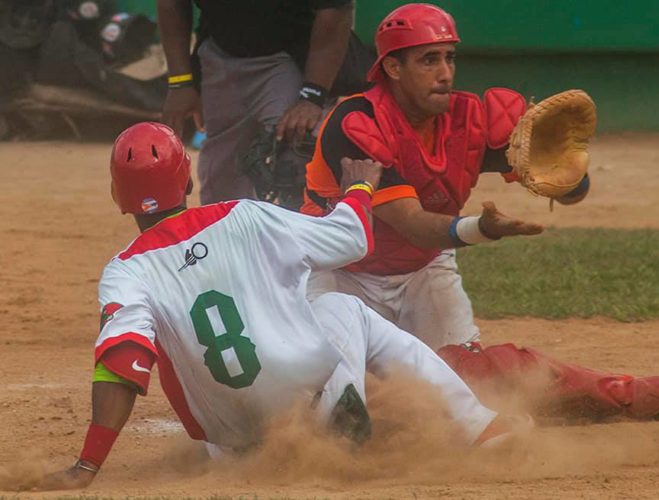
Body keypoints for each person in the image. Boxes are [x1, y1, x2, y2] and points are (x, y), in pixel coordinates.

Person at [34, 122, 529, 491]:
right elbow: (350, 238)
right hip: (310, 410)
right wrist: (358, 186)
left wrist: (87, 467)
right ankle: (480, 427)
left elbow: (121, 363)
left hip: (235, 453)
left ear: (118, 197)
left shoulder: (125, 271)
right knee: (341, 308)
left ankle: (276, 445)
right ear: (186, 184)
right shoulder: (244, 216)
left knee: (207, 407)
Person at [302, 3, 659, 421]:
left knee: (470, 382)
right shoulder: (357, 122)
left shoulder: (469, 120)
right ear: (393, 68)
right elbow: (412, 224)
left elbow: (571, 190)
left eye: (449, 57)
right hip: (342, 276)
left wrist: (565, 171)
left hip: (422, 272)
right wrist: (481, 228)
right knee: (327, 390)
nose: (445, 72)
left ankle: (615, 394)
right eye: (428, 60)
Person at [157, 0, 356, 205]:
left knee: (298, 152)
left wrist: (313, 95)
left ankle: (304, 230)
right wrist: (181, 82)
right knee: (222, 178)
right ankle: (230, 233)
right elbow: (170, 4)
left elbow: (335, 10)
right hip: (221, 50)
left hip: (293, 51)